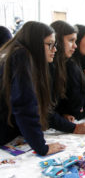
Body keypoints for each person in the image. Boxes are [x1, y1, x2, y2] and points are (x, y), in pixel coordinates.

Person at [0, 21, 65, 156]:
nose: (55, 49)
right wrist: (42, 147)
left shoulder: (15, 53)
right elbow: (24, 105)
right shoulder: (21, 55)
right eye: (50, 44)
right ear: (35, 43)